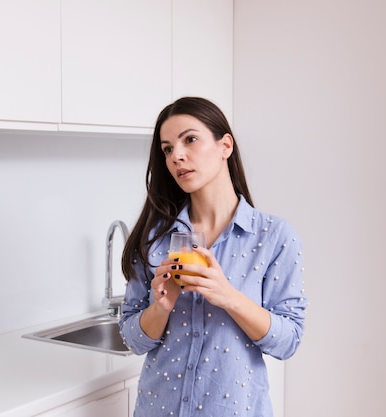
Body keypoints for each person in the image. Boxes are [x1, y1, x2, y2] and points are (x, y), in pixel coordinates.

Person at [119, 97, 307, 417]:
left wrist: (228, 296)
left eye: (190, 139)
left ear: (225, 146)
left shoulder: (273, 236)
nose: (177, 155)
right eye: (167, 149)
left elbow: (288, 340)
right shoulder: (154, 238)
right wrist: (161, 307)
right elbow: (133, 340)